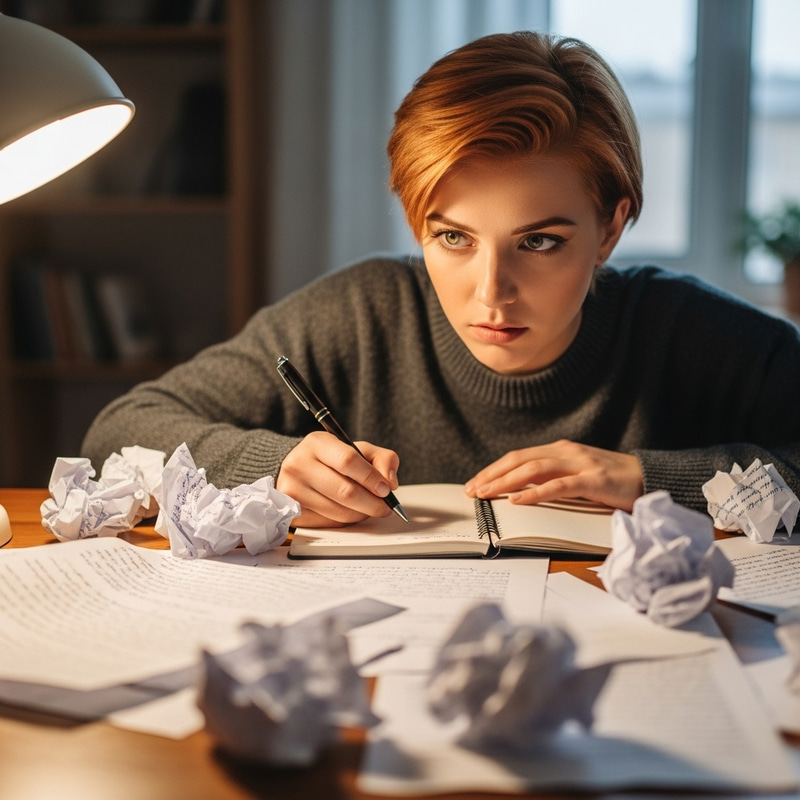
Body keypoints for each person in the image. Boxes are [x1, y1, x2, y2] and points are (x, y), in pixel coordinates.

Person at [81, 31, 800, 528]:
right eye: (453, 237)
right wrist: (273, 467)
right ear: (415, 221)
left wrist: (653, 481)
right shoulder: (361, 313)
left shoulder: (686, 330)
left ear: (610, 229)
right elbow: (116, 433)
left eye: (540, 242)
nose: (491, 292)